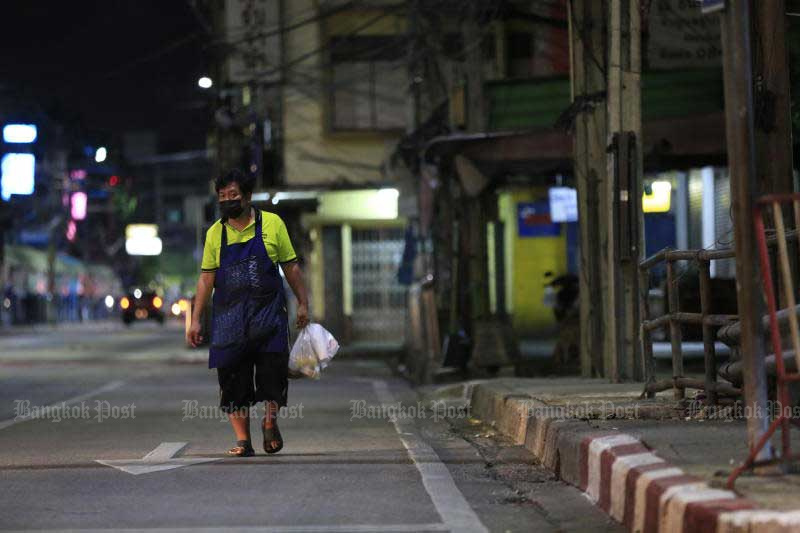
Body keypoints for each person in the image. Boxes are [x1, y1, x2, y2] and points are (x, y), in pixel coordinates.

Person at [187, 169, 309, 457]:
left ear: (247, 196)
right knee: (232, 381)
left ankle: (269, 422)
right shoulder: (215, 233)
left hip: (268, 316)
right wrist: (195, 318)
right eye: (222, 197)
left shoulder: (272, 224)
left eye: (233, 195)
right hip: (229, 320)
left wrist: (303, 302)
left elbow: (291, 266)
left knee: (272, 375)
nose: (228, 201)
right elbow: (206, 278)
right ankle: (243, 440)